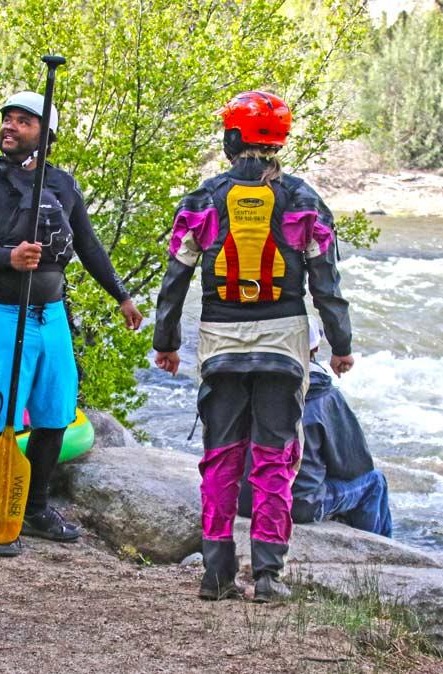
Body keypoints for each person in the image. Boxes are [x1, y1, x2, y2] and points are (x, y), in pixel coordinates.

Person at [153, 91, 353, 603]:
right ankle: (267, 576)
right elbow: (325, 281)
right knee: (274, 459)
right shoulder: (304, 199)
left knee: (221, 457)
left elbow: (176, 278)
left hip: (220, 343)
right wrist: (340, 344)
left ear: (235, 138)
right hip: (283, 345)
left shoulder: (202, 200)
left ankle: (216, 575)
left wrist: (167, 342)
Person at [0, 90, 143, 557]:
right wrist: (5, 258)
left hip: (50, 316)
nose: (10, 127)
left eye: (23, 122)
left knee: (55, 414)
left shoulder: (62, 184)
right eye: (7, 119)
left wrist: (122, 295)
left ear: (46, 134)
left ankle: (34, 508)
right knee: (3, 419)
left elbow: (89, 246)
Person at [239, 319, 391, 537]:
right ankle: (377, 551)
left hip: (246, 500)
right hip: (297, 505)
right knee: (375, 483)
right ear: (316, 348)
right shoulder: (325, 396)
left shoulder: (247, 384)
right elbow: (355, 465)